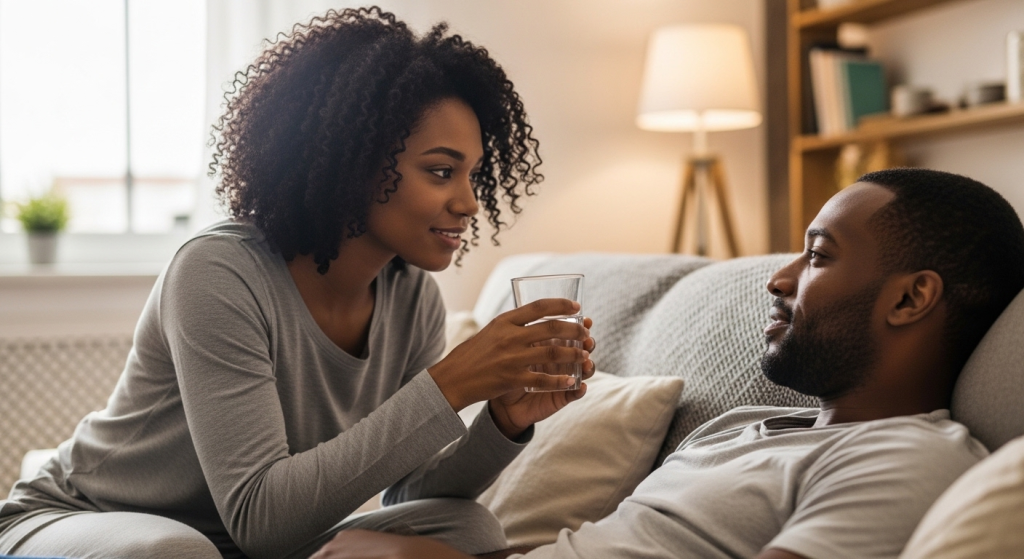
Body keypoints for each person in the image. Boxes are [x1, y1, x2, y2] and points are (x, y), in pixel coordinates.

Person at [0, 7, 597, 559]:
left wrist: (503, 420)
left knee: (467, 528)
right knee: (172, 551)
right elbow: (260, 516)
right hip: (85, 518)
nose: (468, 202)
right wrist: (449, 384)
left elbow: (409, 488)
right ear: (354, 160)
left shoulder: (412, 297)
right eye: (441, 171)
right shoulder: (219, 273)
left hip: (247, 545)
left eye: (472, 175)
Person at [309, 167, 1024, 559]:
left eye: (817, 255)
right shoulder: (752, 423)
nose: (777, 279)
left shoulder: (903, 460)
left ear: (913, 298)